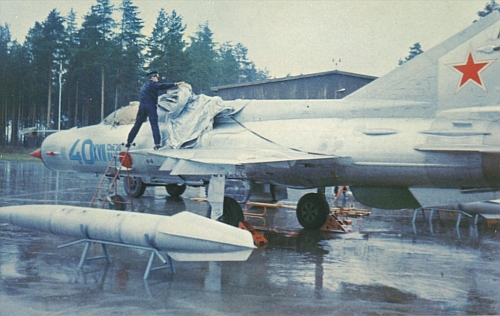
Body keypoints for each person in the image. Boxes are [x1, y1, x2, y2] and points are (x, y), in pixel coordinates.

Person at [126, 71, 184, 150]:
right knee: (154, 125)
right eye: (156, 77)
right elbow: (162, 86)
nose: (157, 78)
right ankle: (157, 143)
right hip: (150, 106)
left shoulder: (144, 85)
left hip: (142, 107)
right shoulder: (153, 84)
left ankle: (129, 142)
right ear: (152, 77)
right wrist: (175, 84)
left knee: (137, 125)